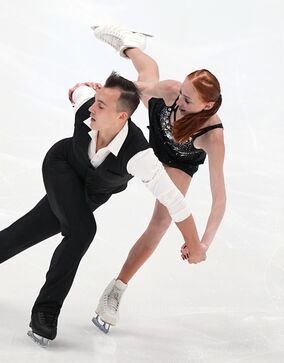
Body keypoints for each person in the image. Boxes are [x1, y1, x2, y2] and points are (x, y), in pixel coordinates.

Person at [0, 71, 207, 347]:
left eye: (101, 105)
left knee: (13, 238)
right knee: (83, 230)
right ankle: (45, 314)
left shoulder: (140, 156)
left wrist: (194, 244)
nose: (92, 108)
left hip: (87, 196)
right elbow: (77, 93)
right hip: (61, 168)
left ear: (122, 116)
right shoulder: (86, 108)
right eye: (95, 101)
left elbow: (175, 202)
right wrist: (79, 89)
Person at [91, 25, 226, 333]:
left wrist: (202, 243)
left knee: (162, 221)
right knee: (148, 77)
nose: (180, 102)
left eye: (189, 101)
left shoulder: (212, 136)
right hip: (157, 124)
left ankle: (115, 291)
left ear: (207, 106)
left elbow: (220, 198)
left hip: (179, 160)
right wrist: (100, 96)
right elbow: (130, 92)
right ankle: (130, 45)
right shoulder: (171, 92)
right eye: (182, 93)